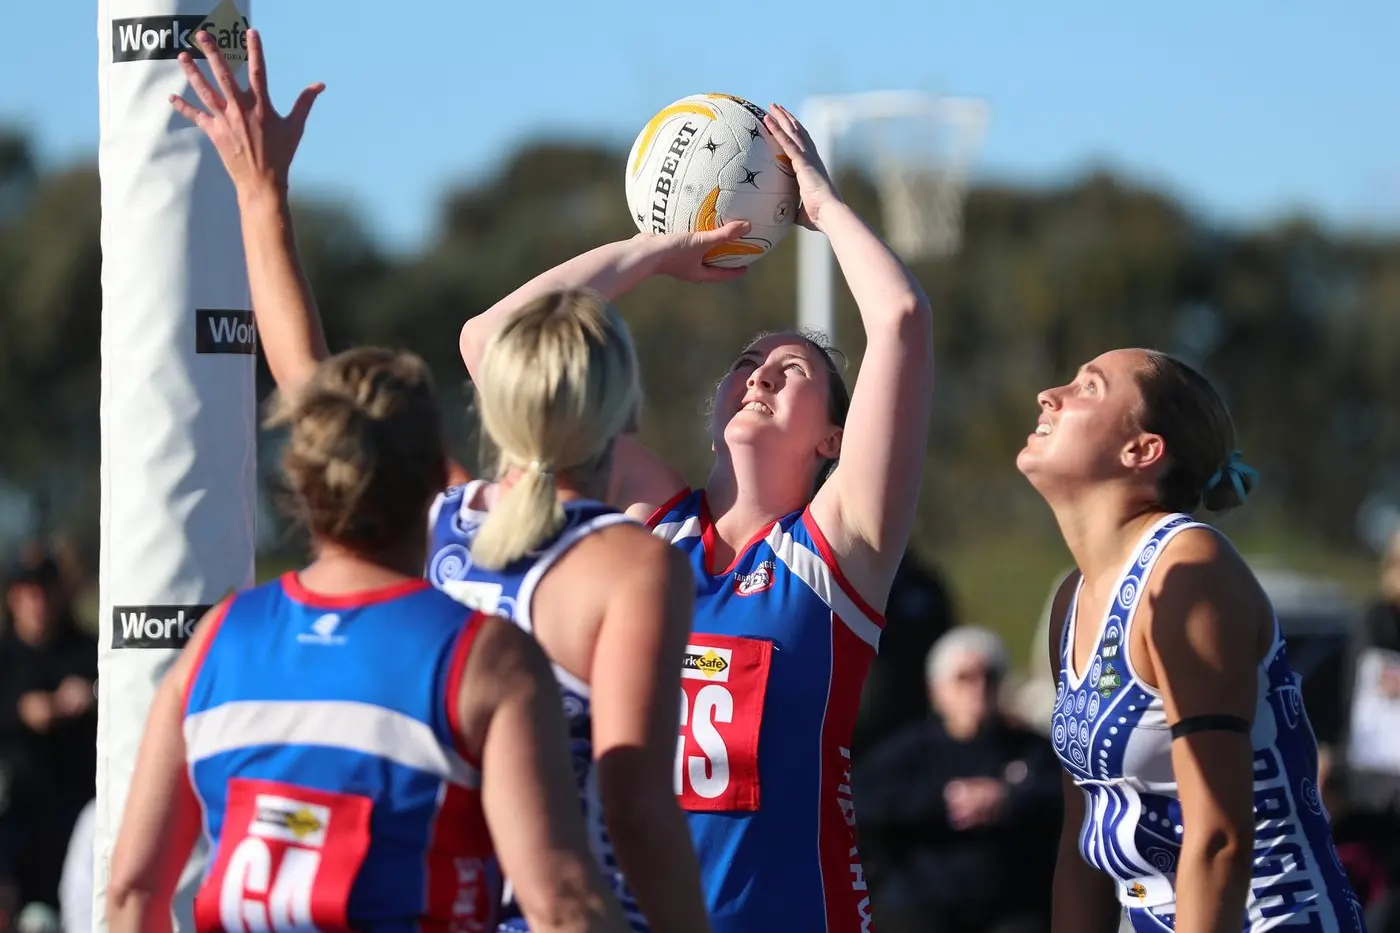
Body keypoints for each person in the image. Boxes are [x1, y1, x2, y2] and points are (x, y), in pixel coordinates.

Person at [167, 30, 708, 933]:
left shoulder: (444, 523)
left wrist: (261, 197)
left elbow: (309, 378)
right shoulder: (630, 568)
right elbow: (637, 811)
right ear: (627, 412)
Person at [462, 103, 935, 933]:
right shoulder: (649, 523)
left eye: (790, 370)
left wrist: (819, 206)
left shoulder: (838, 547)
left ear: (834, 435)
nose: (758, 376)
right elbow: (492, 342)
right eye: (746, 363)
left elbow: (899, 320)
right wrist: (657, 249)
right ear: (713, 405)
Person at [106, 347, 629, 933]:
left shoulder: (216, 641)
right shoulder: (486, 657)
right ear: (438, 479)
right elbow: (560, 902)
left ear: (301, 482)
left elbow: (133, 889)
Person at [1017, 348, 1366, 933]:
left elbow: (1220, 838)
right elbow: (1083, 844)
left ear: (1142, 451)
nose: (1048, 396)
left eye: (1089, 387)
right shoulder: (1069, 602)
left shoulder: (1190, 569)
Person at [854, 627, 1060, 933]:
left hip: (1011, 904)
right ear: (936, 690)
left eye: (989, 676)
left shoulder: (1032, 749)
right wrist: (945, 802)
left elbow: (1065, 796)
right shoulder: (908, 752)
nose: (978, 687)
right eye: (964, 678)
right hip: (922, 902)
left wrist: (1007, 800)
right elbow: (862, 802)